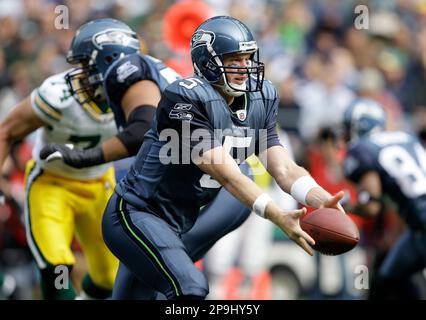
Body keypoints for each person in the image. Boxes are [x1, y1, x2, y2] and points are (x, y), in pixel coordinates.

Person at [101, 15, 345, 300]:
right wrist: (278, 215)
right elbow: (225, 173)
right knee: (191, 287)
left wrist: (318, 198)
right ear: (207, 61)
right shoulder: (185, 97)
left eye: (247, 57)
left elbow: (283, 167)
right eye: (234, 59)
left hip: (177, 222)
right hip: (136, 214)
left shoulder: (261, 97)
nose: (245, 67)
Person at [0, 18, 151, 300]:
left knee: (110, 279)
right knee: (57, 268)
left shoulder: (138, 95)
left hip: (99, 184)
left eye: (86, 65)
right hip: (52, 184)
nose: (78, 73)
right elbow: (6, 131)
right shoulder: (58, 96)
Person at [342, 98, 426, 299]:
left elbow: (371, 206)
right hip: (418, 229)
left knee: (387, 281)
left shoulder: (364, 149)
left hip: (422, 224)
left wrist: (346, 206)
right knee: (389, 277)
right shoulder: (406, 137)